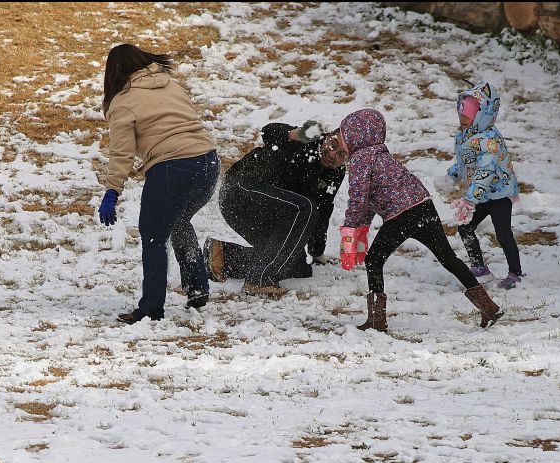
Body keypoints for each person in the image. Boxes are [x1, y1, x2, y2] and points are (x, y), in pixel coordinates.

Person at [338, 108, 504, 331]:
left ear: (355, 135)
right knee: (448, 258)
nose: (341, 140)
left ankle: (376, 320)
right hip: (423, 206)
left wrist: (350, 230)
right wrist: (363, 226)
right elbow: (369, 198)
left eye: (343, 135)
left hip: (401, 215)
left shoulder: (360, 159)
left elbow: (358, 196)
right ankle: (489, 307)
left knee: (374, 259)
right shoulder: (380, 154)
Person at [97, 44, 220, 324]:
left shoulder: (123, 101)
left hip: (171, 167)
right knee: (178, 220)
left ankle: (151, 309)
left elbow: (122, 153)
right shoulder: (170, 84)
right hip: (208, 162)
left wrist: (112, 191)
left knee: (153, 235)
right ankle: (197, 287)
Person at [204, 121, 347, 298]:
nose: (333, 154)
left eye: (342, 154)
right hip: (242, 190)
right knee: (304, 208)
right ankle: (259, 281)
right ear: (327, 136)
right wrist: (294, 134)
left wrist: (317, 252)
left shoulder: (335, 173)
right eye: (333, 145)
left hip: (271, 211)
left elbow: (324, 209)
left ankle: (223, 255)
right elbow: (268, 132)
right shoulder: (309, 140)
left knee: (297, 265)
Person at [447, 82, 522, 290]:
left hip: (499, 193)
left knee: (503, 234)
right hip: (481, 195)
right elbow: (468, 162)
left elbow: (485, 172)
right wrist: (452, 174)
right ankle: (480, 269)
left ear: (482, 116)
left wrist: (469, 199)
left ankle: (515, 274)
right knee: (465, 227)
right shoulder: (467, 135)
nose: (462, 122)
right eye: (461, 118)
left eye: (467, 118)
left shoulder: (489, 140)